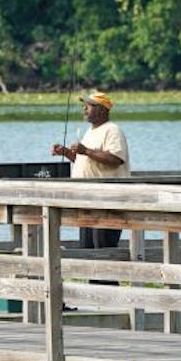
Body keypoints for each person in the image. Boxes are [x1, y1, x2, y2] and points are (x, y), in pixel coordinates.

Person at [51, 90, 130, 252]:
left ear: (102, 109)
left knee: (103, 245)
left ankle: (106, 278)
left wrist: (86, 151)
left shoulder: (112, 130)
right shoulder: (91, 131)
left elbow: (116, 159)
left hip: (106, 200)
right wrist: (66, 152)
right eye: (84, 106)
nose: (84, 109)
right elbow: (86, 161)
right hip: (87, 199)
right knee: (87, 246)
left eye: (89, 106)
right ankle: (93, 279)